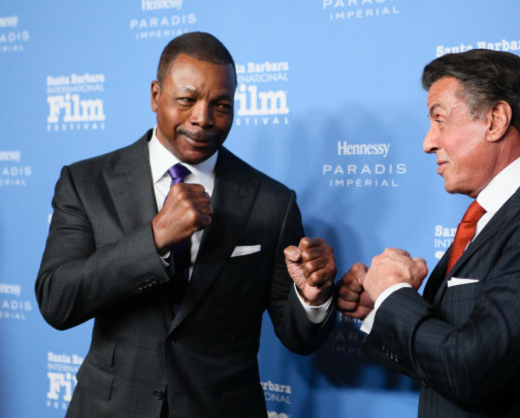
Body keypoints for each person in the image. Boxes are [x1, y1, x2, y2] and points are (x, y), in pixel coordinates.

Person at [36, 31, 337, 418]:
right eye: (187, 100)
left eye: (221, 105)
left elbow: (298, 336)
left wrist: (312, 296)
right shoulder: (87, 182)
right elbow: (56, 300)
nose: (203, 119)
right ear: (155, 95)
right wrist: (155, 238)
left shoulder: (272, 202)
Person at [337, 49, 520, 417]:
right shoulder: (494, 215)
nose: (428, 142)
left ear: (495, 120)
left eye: (440, 120)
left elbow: (472, 371)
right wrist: (382, 310)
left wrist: (394, 295)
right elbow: (448, 362)